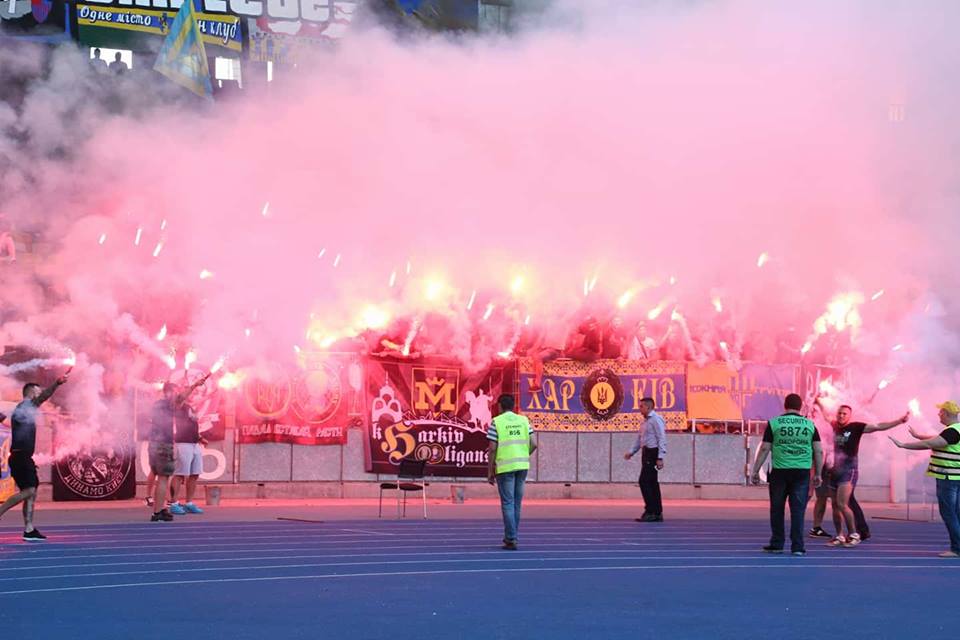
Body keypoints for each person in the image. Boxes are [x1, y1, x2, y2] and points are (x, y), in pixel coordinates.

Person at [822, 403, 908, 547]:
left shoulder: (856, 427)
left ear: (850, 416)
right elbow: (826, 416)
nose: (841, 416)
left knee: (843, 504)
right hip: (835, 471)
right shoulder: (835, 426)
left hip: (849, 471)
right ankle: (839, 536)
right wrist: (819, 402)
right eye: (840, 413)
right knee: (835, 506)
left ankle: (854, 535)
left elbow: (878, 426)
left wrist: (899, 421)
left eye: (844, 414)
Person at [0, 370, 70, 541]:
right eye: (37, 392)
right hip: (20, 457)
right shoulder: (26, 406)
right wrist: (57, 383)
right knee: (29, 490)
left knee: (31, 492)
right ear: (31, 393)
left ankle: (29, 529)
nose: (40, 396)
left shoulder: (21, 410)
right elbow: (42, 398)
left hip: (23, 457)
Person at [751, 393, 823, 555]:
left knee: (777, 509)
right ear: (801, 407)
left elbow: (764, 448)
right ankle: (797, 546)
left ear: (785, 405)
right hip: (801, 473)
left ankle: (777, 543)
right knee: (798, 510)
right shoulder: (810, 425)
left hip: (780, 472)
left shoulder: (774, 423)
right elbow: (818, 451)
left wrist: (755, 470)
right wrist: (818, 473)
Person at [890, 400, 960, 558]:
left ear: (947, 414)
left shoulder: (951, 432)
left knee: (949, 513)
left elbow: (931, 442)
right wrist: (917, 435)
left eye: (940, 412)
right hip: (956, 477)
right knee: (956, 512)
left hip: (948, 477)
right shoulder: (955, 430)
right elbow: (937, 437)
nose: (938, 414)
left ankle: (957, 548)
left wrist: (904, 445)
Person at [149, 373, 210, 522]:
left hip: (154, 443)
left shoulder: (157, 404)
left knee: (161, 478)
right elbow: (181, 398)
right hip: (164, 444)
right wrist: (195, 385)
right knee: (164, 478)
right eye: (175, 391)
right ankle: (158, 512)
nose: (178, 394)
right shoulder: (169, 405)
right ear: (169, 393)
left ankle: (161, 509)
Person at [487, 394, 536, 550]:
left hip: (505, 468)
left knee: (508, 503)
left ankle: (511, 538)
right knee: (516, 503)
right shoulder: (524, 421)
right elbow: (534, 443)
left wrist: (490, 471)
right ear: (514, 406)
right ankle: (512, 535)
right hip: (522, 466)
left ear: (500, 406)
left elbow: (492, 449)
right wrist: (522, 454)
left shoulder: (496, 422)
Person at [624, 397, 667, 522]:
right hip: (646, 453)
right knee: (652, 483)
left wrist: (660, 457)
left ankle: (651, 510)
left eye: (641, 406)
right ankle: (656, 512)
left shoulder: (656, 420)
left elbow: (661, 438)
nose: (639, 409)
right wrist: (631, 452)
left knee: (644, 481)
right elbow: (640, 439)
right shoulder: (645, 422)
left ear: (648, 407)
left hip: (653, 453)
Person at [168, 388, 208, 515]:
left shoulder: (190, 407)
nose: (194, 393)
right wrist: (195, 385)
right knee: (179, 474)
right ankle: (174, 503)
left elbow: (192, 426)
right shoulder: (177, 405)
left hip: (194, 444)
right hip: (183, 444)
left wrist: (200, 438)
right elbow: (181, 396)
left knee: (195, 474)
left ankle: (189, 503)